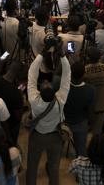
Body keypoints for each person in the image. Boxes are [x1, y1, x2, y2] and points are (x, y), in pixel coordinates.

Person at [26, 43, 71, 185]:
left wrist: (42, 52)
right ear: (54, 93)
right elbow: (67, 76)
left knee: (32, 166)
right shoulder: (60, 100)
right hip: (55, 137)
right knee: (54, 167)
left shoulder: (34, 99)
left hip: (37, 136)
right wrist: (63, 56)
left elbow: (32, 74)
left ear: (40, 92)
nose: (46, 82)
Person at [64, 61, 95, 157]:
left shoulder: (63, 87)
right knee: (81, 149)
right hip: (80, 122)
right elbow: (90, 111)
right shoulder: (90, 90)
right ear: (83, 75)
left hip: (63, 122)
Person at [84, 47, 104, 136]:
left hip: (90, 104)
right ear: (100, 56)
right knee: (98, 129)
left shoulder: (85, 70)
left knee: (92, 126)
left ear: (88, 57)